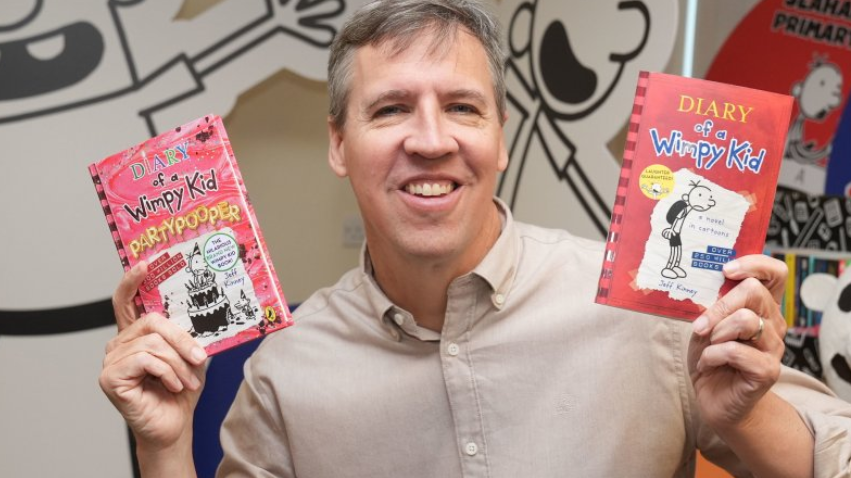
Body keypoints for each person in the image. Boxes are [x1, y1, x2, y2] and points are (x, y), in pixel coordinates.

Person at [100, 1, 851, 476]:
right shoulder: (286, 372)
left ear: (500, 139)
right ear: (338, 145)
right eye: (390, 109)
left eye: (462, 107)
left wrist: (748, 417)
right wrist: (163, 448)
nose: (431, 141)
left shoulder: (646, 307)